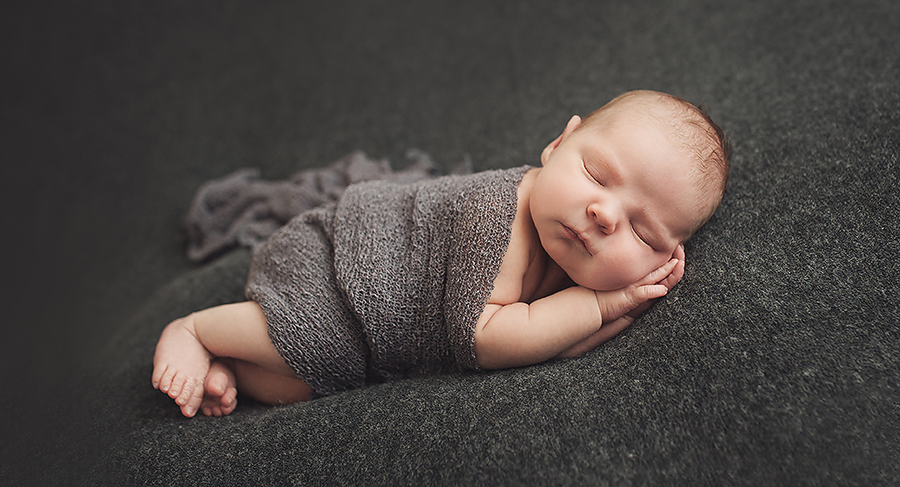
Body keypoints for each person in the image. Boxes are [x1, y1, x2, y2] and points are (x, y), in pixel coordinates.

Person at [152, 90, 730, 417]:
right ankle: (198, 331)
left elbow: (555, 344)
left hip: (372, 335)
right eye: (596, 174)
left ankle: (230, 365)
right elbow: (487, 336)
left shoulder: (575, 247)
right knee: (316, 337)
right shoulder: (499, 215)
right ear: (558, 144)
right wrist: (602, 306)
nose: (605, 215)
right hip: (337, 269)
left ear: (666, 257)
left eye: (642, 232)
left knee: (300, 386)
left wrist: (606, 309)